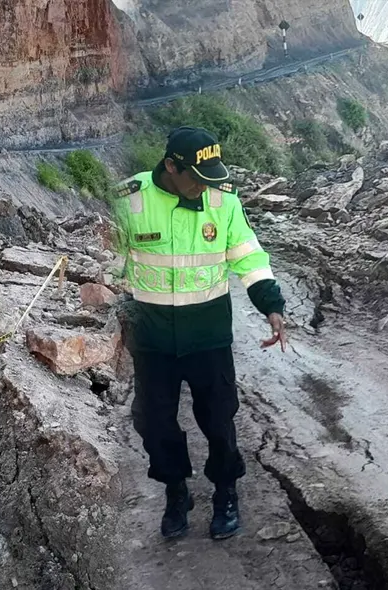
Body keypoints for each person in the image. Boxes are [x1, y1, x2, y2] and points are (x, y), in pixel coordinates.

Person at [110, 126, 287, 541]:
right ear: (171, 166)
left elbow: (249, 256)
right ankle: (176, 491)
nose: (205, 187)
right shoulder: (130, 198)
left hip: (208, 337)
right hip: (152, 341)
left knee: (220, 421)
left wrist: (272, 307)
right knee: (155, 424)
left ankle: (226, 491)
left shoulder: (222, 201)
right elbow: (108, 260)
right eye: (197, 178)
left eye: (211, 178)